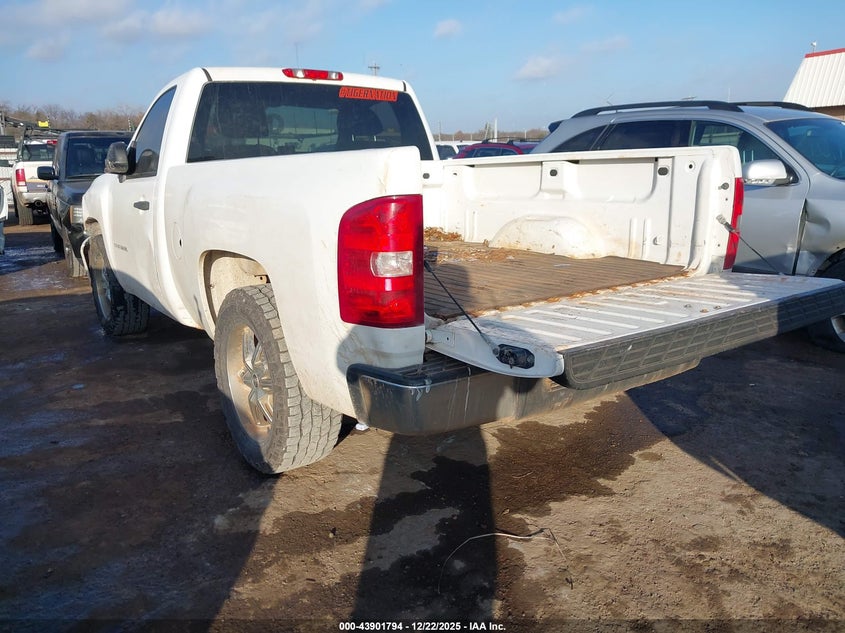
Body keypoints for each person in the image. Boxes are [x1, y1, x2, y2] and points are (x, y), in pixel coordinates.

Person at [0, 187, 7, 255]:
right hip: (1, 215)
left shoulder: (1, 190)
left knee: (0, 234)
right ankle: (1, 250)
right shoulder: (1, 189)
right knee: (0, 234)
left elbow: (1, 204)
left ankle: (1, 249)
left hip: (1, 215)